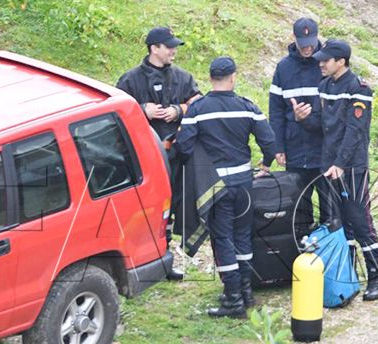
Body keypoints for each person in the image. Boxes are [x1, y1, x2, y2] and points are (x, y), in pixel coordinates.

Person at [174, 56, 277, 317]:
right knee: (242, 236)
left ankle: (232, 300)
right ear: (233, 78)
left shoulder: (197, 110)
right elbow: (269, 141)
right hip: (244, 183)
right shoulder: (248, 107)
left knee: (223, 239)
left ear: (210, 79)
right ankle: (246, 292)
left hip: (215, 186)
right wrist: (265, 163)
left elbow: (183, 147)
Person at [117, 26, 201, 280]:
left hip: (176, 155)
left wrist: (179, 110)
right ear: (154, 49)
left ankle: (165, 262)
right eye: (169, 46)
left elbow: (199, 100)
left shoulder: (182, 77)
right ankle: (138, 262)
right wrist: (143, 110)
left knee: (171, 208)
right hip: (143, 161)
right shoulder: (130, 80)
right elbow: (115, 111)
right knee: (145, 211)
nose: (174, 51)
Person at [315, 39, 378, 301]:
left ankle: (376, 276)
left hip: (351, 166)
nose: (321, 63)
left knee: (360, 219)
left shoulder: (359, 88)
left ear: (341, 62)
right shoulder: (323, 86)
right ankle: (348, 275)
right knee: (339, 222)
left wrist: (341, 164)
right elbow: (321, 123)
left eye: (326, 60)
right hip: (327, 164)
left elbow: (355, 131)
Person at [269, 17, 326, 221]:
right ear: (294, 38)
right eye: (303, 44)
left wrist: (309, 117)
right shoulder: (283, 68)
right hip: (295, 148)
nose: (307, 48)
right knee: (300, 205)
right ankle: (303, 245)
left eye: (311, 43)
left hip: (323, 147)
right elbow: (275, 112)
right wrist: (278, 146)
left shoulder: (325, 64)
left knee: (329, 203)